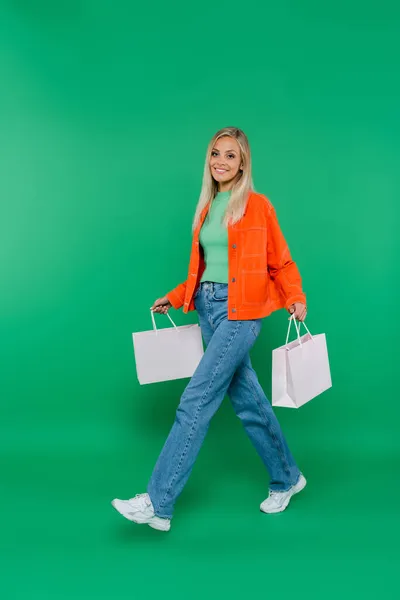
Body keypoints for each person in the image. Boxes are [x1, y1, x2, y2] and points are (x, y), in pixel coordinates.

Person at [112, 127, 308, 532]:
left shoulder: (258, 206)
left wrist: (295, 297)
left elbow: (281, 263)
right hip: (207, 308)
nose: (221, 161)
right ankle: (288, 477)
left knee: (196, 399)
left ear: (243, 163)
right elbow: (204, 270)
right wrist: (176, 295)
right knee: (248, 401)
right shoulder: (207, 206)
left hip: (241, 314)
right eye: (215, 154)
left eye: (230, 155)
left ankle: (158, 503)